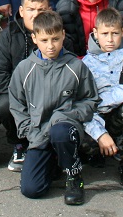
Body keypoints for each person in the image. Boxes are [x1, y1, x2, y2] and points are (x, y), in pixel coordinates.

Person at [9, 11, 98, 205]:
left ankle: (74, 176)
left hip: (65, 130)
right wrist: (28, 131)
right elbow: (17, 104)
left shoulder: (76, 66)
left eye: (56, 39)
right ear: (34, 38)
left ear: (63, 35)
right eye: (45, 39)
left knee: (60, 132)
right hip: (38, 135)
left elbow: (90, 101)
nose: (51, 45)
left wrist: (64, 116)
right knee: (32, 189)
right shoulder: (25, 69)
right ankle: (55, 163)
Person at [0, 0, 51, 172]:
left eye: (41, 10)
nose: (36, 15)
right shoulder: (8, 36)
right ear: (21, 11)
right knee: (4, 105)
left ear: (50, 11)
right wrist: (24, 95)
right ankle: (19, 144)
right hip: (16, 96)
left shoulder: (56, 35)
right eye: (31, 9)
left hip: (48, 96)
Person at [81, 8, 123, 187]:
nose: (110, 39)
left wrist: (105, 99)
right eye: (105, 34)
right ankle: (95, 152)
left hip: (118, 115)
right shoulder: (86, 63)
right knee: (80, 127)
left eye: (115, 33)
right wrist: (100, 133)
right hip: (97, 118)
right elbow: (84, 105)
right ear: (95, 33)